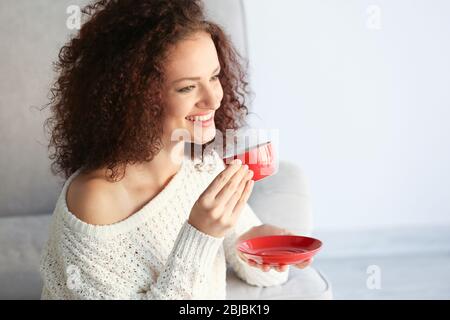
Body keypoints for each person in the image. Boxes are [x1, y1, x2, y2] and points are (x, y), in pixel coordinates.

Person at [39, 0, 311, 300]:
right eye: (187, 87)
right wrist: (201, 233)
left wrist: (260, 246)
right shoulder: (95, 201)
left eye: (214, 76)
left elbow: (253, 267)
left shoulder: (201, 162)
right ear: (136, 99)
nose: (213, 99)